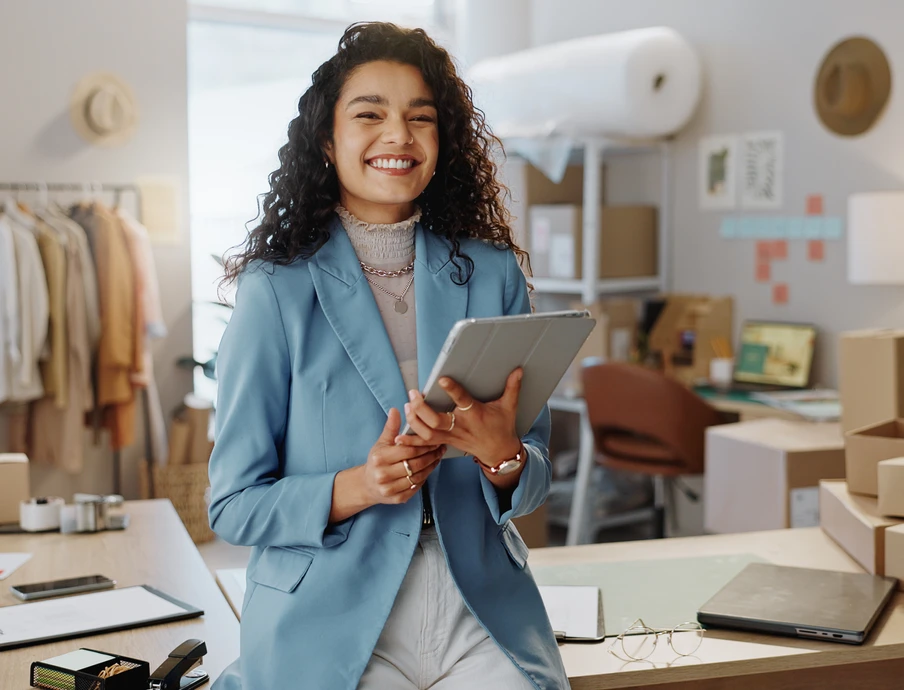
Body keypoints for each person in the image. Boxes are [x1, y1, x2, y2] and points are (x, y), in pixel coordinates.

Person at [209, 22, 569, 690]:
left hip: (478, 607)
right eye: (370, 114)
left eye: (421, 118)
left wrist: (503, 456)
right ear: (328, 140)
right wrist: (357, 486)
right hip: (330, 614)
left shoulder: (491, 274)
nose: (399, 136)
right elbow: (232, 505)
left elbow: (535, 476)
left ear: (442, 142)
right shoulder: (276, 289)